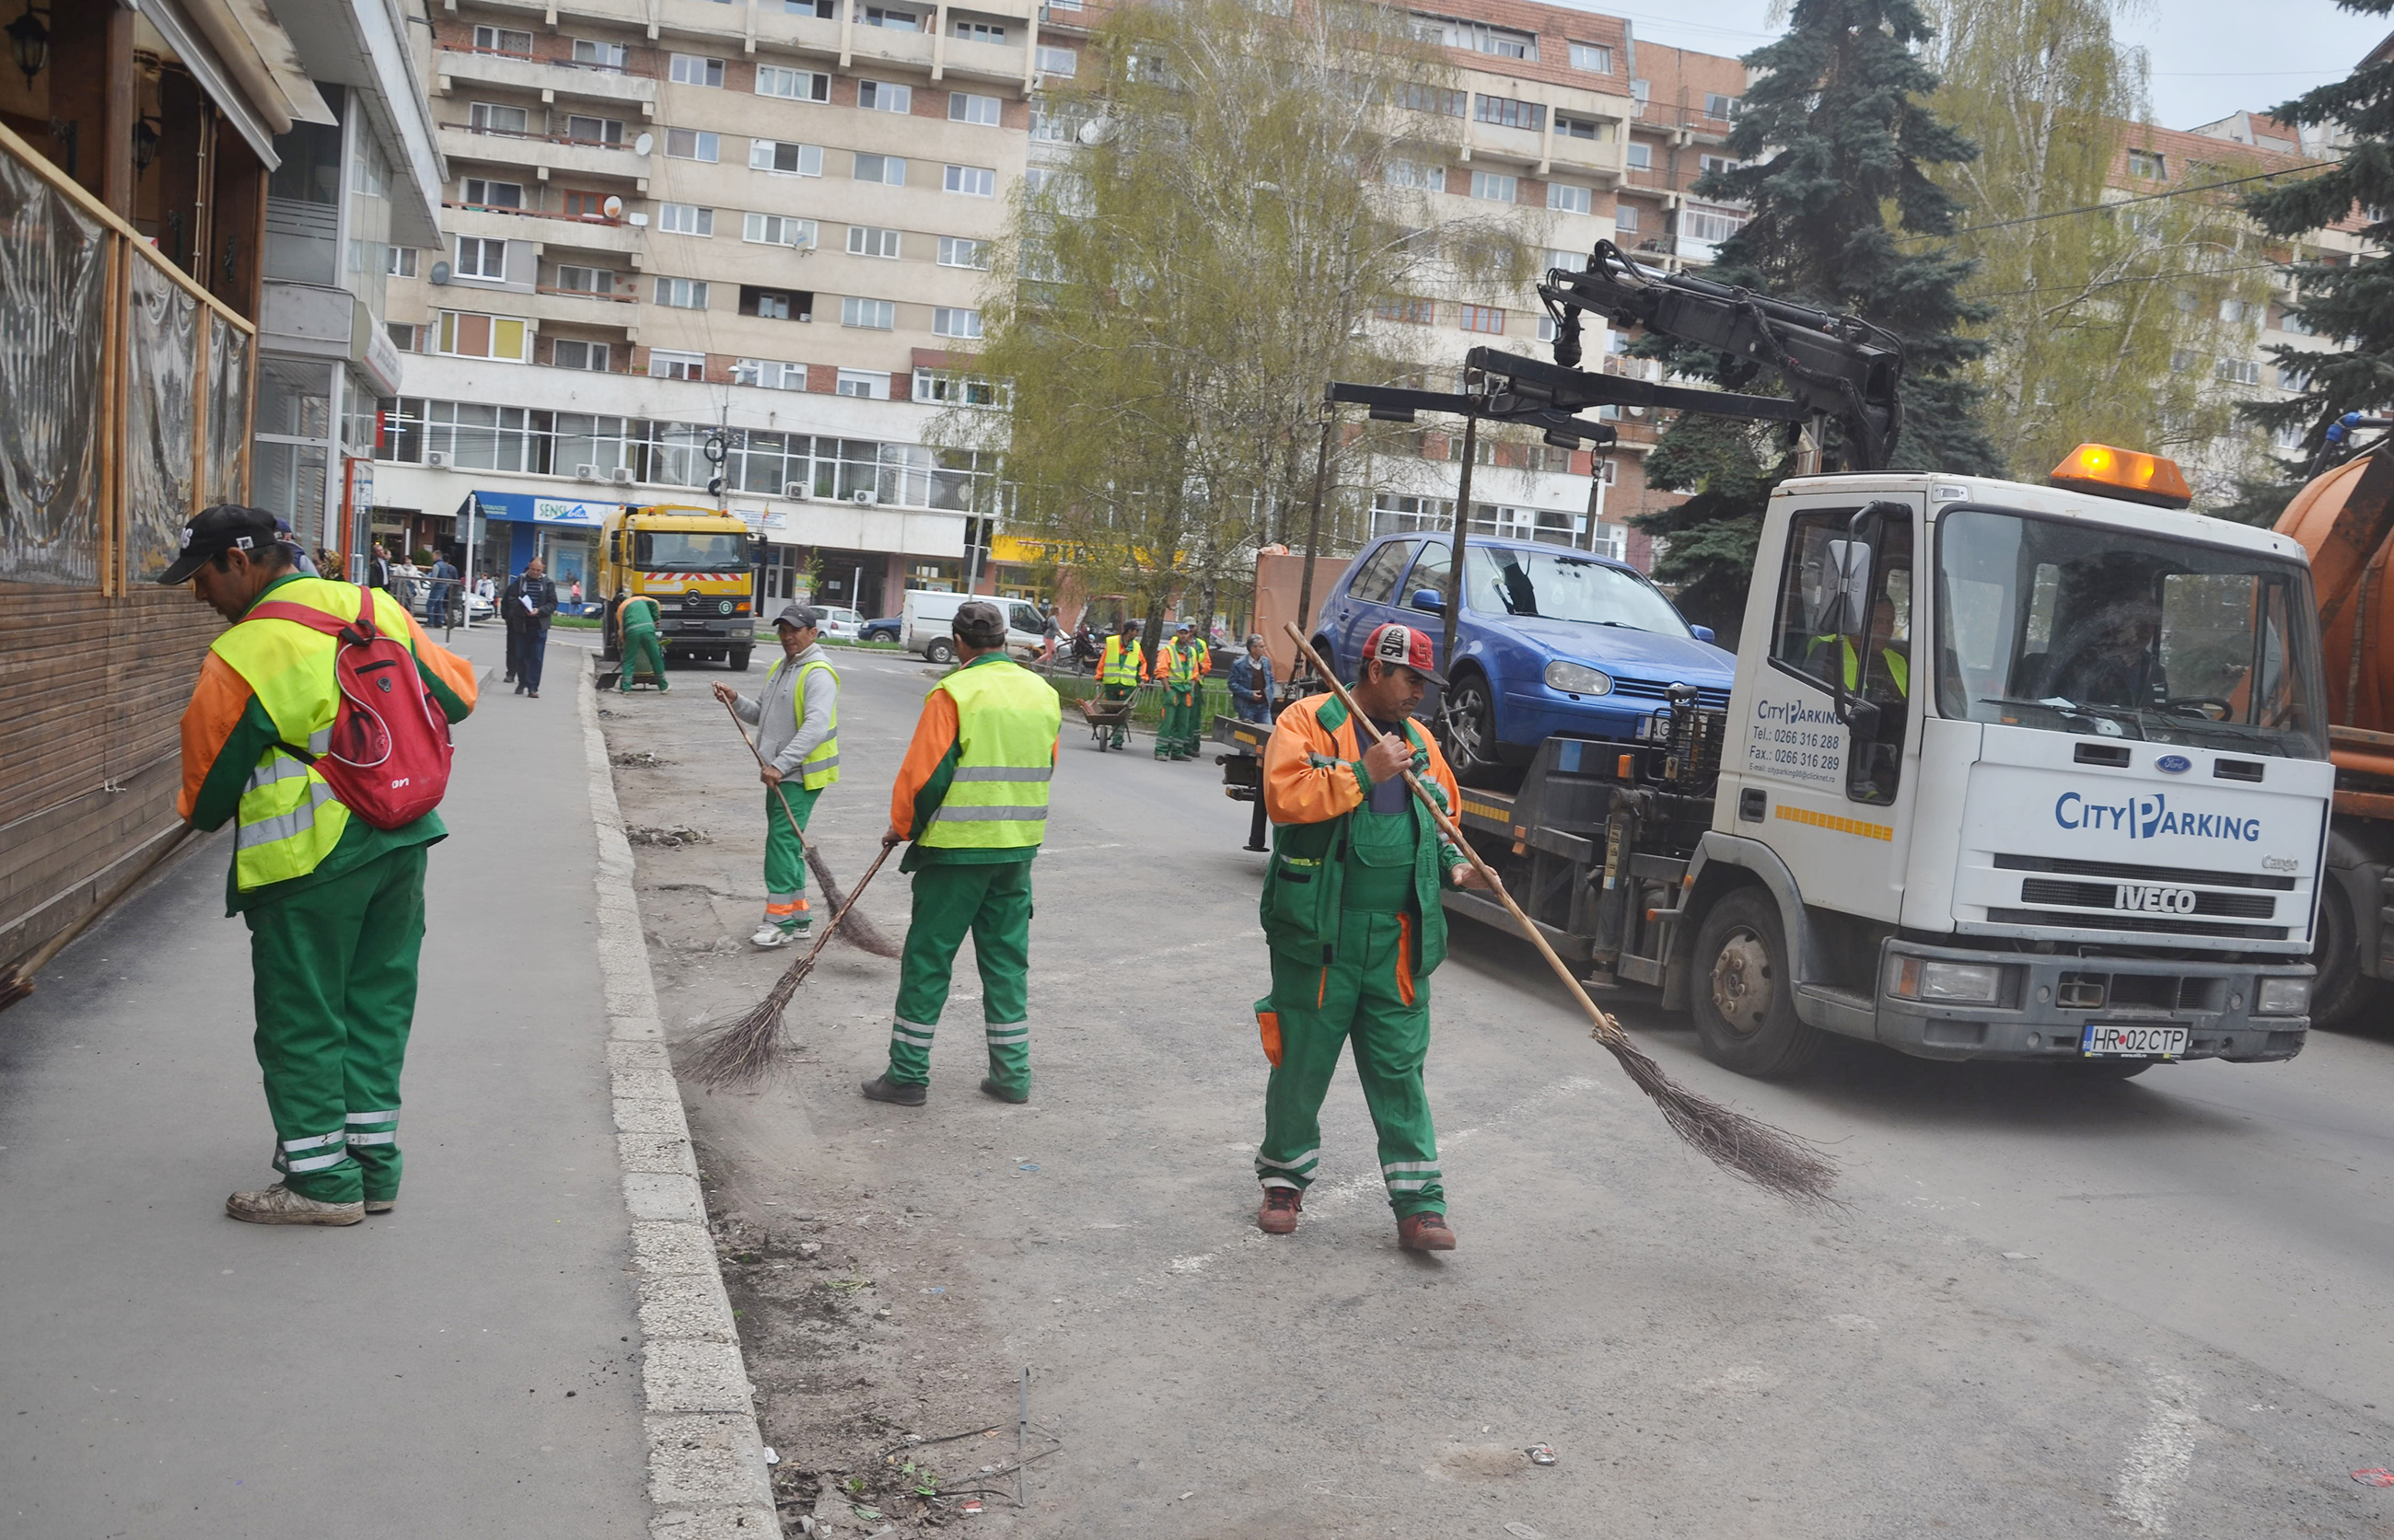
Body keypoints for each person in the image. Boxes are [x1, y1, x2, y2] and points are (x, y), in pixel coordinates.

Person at [161, 504, 477, 1224]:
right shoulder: (375, 607)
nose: (198, 596)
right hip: (401, 838)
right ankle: (374, 1168)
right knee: (376, 1003)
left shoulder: (246, 653)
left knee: (301, 1017)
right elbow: (457, 695)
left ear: (240, 562)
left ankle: (320, 1182)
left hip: (309, 861)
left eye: (203, 577)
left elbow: (207, 799)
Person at [1250, 622, 1493, 1253]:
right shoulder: (1308, 721)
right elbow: (1283, 796)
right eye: (1412, 679)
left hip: (1397, 939)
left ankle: (1420, 1205)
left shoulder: (1421, 743)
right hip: (1320, 934)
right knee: (1301, 1061)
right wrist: (1363, 771)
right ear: (1376, 670)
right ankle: (1283, 1180)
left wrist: (1458, 866)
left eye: (1425, 682)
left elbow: (1443, 821)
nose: (1421, 693)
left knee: (1399, 1069)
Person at [863, 600, 1063, 1107]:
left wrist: (903, 827)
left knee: (929, 961)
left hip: (955, 853)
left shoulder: (953, 692)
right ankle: (1012, 1075)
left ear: (958, 642)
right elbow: (1046, 764)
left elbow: (927, 777)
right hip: (1016, 852)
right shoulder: (1042, 692)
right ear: (1002, 637)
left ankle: (907, 1076)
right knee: (1006, 963)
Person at [715, 604, 842, 948]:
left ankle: (779, 923)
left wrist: (781, 764)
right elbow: (761, 715)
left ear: (812, 633)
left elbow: (815, 726)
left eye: (795, 630)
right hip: (779, 772)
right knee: (787, 845)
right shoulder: (781, 667)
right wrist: (735, 699)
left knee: (781, 845)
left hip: (800, 775)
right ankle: (799, 919)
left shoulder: (818, 673)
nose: (787, 636)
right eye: (783, 629)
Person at [504, 557, 559, 698]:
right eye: (533, 569)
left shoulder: (548, 583)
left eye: (538, 570)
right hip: (522, 625)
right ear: (529, 567)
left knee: (536, 657)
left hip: (540, 625)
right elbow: (512, 599)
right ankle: (522, 682)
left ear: (543, 569)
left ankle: (533, 687)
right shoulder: (520, 581)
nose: (535, 572)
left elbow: (553, 603)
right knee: (521, 656)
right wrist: (523, 611)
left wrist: (539, 611)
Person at [1154, 622, 1204, 761]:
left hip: (1187, 690)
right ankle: (1161, 750)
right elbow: (1161, 672)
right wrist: (1168, 690)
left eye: (1185, 633)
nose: (1183, 635)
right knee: (1168, 722)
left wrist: (1192, 690)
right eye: (1181, 633)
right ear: (1177, 634)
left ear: (1189, 635)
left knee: (1183, 723)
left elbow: (1195, 673)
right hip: (1173, 689)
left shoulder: (1192, 652)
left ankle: (1177, 751)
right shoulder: (1168, 651)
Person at [1095, 619, 1145, 750]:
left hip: (1127, 686)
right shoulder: (1112, 643)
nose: (1137, 634)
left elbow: (1142, 664)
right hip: (1111, 684)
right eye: (1136, 631)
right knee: (1111, 713)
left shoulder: (1136, 647)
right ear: (1129, 631)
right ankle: (1112, 735)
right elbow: (1103, 661)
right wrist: (1099, 677)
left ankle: (1117, 740)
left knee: (1122, 714)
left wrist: (1142, 679)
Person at [615, 586, 668, 692]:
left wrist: (624, 642)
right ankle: (663, 687)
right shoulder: (640, 599)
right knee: (655, 658)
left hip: (632, 632)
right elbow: (655, 603)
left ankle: (626, 688)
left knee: (629, 660)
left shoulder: (621, 608)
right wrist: (655, 619)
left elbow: (621, 628)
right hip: (648, 629)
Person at [1228, 633, 1276, 724]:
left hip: (1264, 706)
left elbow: (1270, 679)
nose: (1264, 649)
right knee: (1248, 735)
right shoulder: (1239, 664)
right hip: (1247, 707)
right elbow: (1232, 684)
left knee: (1267, 732)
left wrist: (1270, 695)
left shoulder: (1265, 662)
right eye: (1261, 647)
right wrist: (1250, 694)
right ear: (1253, 648)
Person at [426, 552, 458, 628]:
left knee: (429, 605)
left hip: (437, 587)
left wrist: (431, 586)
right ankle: (439, 622)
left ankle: (431, 621)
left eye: (433, 555)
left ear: (437, 556)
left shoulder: (436, 565)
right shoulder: (445, 566)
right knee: (439, 605)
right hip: (443, 587)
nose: (432, 557)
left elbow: (434, 578)